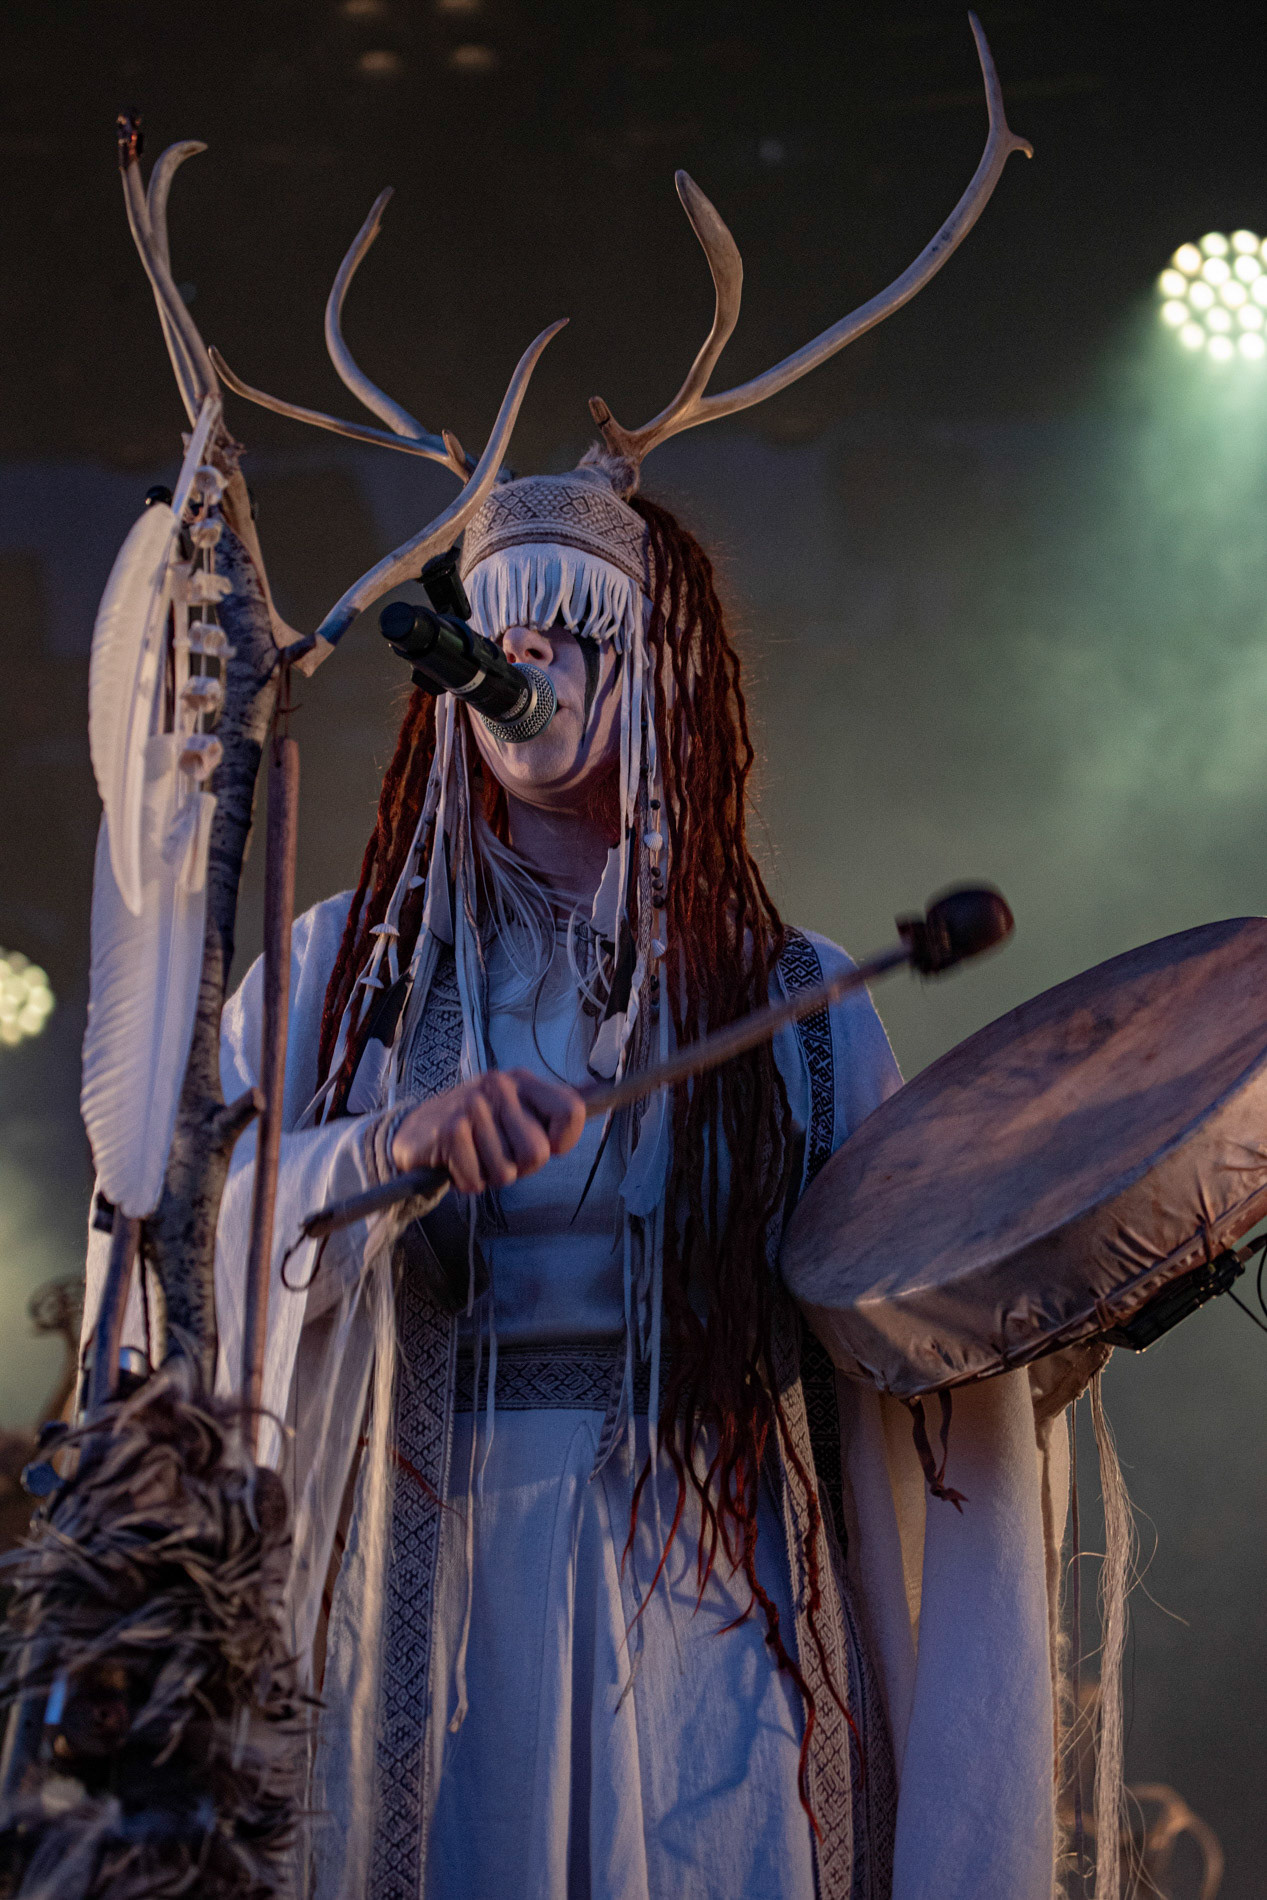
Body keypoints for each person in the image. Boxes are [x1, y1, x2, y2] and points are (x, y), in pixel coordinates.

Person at [204, 460, 1058, 1900]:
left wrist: (1047, 1283)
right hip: (435, 1574)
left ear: (661, 675)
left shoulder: (799, 998)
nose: (521, 660)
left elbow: (910, 1315)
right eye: (498, 632)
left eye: (569, 629)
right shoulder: (345, 972)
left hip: (716, 1582)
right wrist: (387, 1146)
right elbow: (191, 1246)